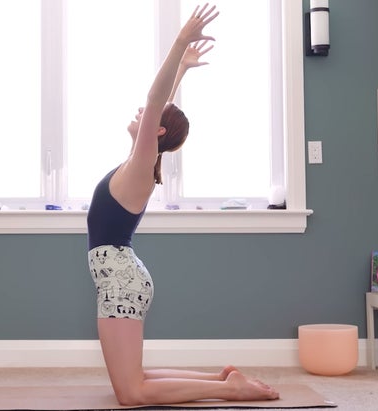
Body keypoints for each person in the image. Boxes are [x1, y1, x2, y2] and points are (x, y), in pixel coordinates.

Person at [86, 4, 280, 406]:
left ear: (156, 132)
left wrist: (179, 42)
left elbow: (155, 101)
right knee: (134, 380)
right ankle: (221, 378)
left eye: (148, 115)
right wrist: (184, 70)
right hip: (120, 277)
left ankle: (230, 391)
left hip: (121, 279)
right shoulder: (140, 162)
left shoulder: (143, 165)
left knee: (130, 393)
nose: (139, 111)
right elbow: (161, 107)